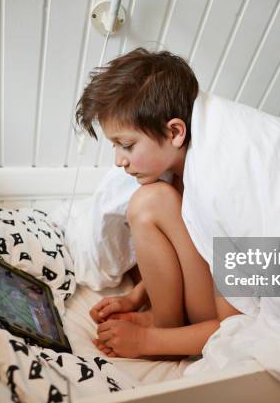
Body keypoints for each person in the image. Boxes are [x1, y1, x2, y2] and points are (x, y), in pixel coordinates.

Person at [75, 47, 241, 358]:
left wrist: (147, 342)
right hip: (203, 302)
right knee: (154, 199)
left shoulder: (216, 184)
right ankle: (163, 321)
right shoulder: (173, 172)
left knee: (150, 202)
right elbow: (187, 246)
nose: (119, 161)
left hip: (218, 318)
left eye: (126, 145)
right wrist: (136, 297)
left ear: (175, 131)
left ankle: (167, 335)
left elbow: (234, 326)